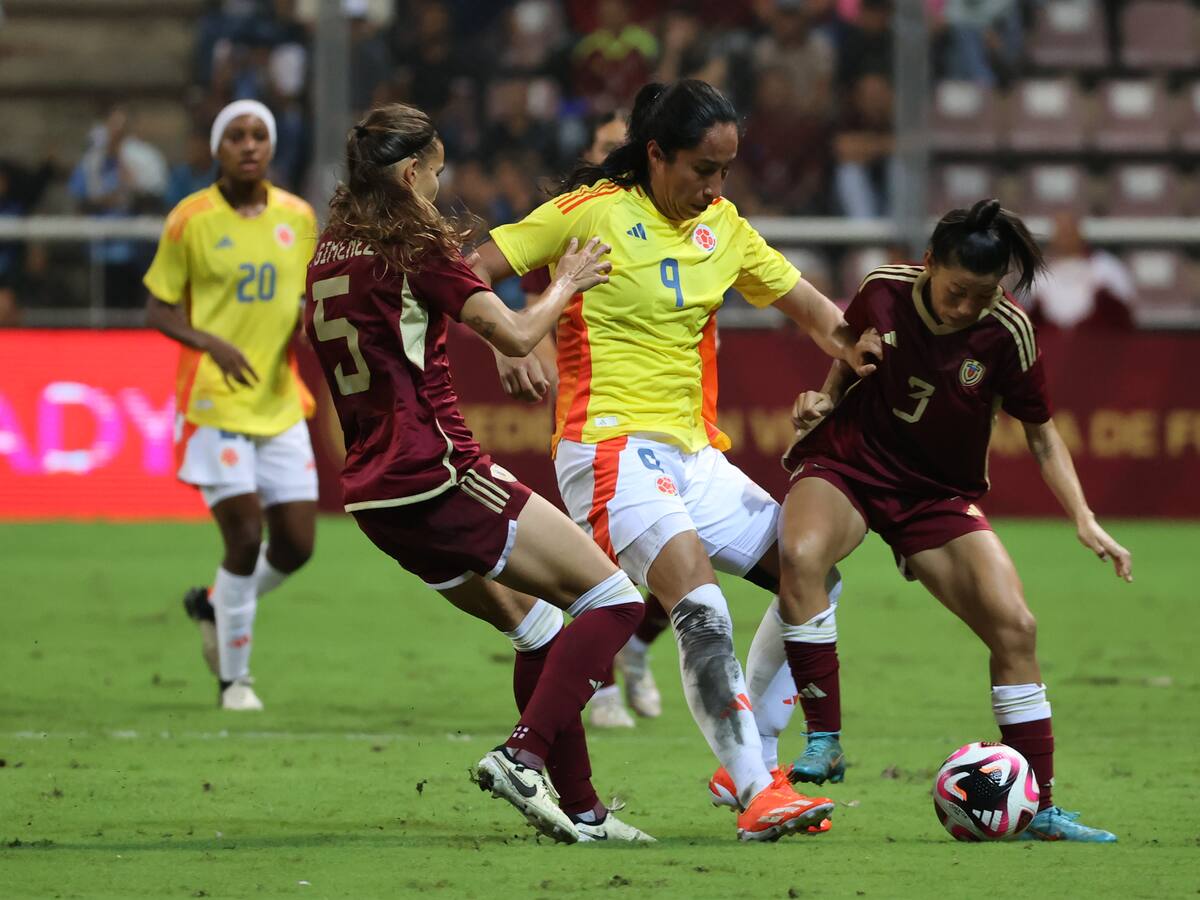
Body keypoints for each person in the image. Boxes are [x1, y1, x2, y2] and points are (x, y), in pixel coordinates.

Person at [472, 79, 881, 841]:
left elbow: (815, 312)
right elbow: (472, 268)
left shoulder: (721, 226)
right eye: (701, 169)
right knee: (702, 606)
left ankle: (746, 761)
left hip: (695, 455)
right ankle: (761, 794)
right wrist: (511, 337)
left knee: (813, 575)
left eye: (725, 171)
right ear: (655, 154)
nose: (714, 188)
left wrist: (858, 345)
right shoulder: (590, 211)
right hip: (608, 446)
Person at [304, 103, 652, 844]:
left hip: (374, 499)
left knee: (537, 628)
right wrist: (570, 281)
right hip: (439, 472)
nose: (438, 186)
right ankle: (523, 756)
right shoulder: (415, 243)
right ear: (407, 174)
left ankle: (585, 811)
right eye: (434, 172)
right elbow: (522, 329)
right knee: (616, 600)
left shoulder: (330, 249)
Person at [774, 199, 1130, 842]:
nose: (967, 307)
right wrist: (821, 400)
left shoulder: (1009, 332)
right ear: (930, 263)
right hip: (850, 466)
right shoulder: (882, 290)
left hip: (935, 495)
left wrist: (1083, 516)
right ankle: (824, 736)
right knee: (798, 556)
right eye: (958, 291)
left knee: (1016, 628)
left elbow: (1044, 438)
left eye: (984, 295)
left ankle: (1040, 805)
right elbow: (845, 362)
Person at [144, 100, 320, 712]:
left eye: (259, 136)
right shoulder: (189, 220)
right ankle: (234, 681)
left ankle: (217, 603)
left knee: (297, 544)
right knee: (245, 533)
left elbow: (310, 300)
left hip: (278, 399)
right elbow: (159, 306)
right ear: (217, 148)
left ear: (271, 147)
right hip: (213, 402)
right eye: (237, 136)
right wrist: (209, 341)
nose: (249, 145)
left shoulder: (297, 218)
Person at [515, 109, 669, 731]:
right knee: (607, 558)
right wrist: (523, 348)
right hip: (597, 409)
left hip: (670, 411)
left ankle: (632, 651)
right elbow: (528, 307)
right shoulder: (573, 214)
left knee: (677, 563)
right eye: (607, 146)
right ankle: (599, 685)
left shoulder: (686, 214)